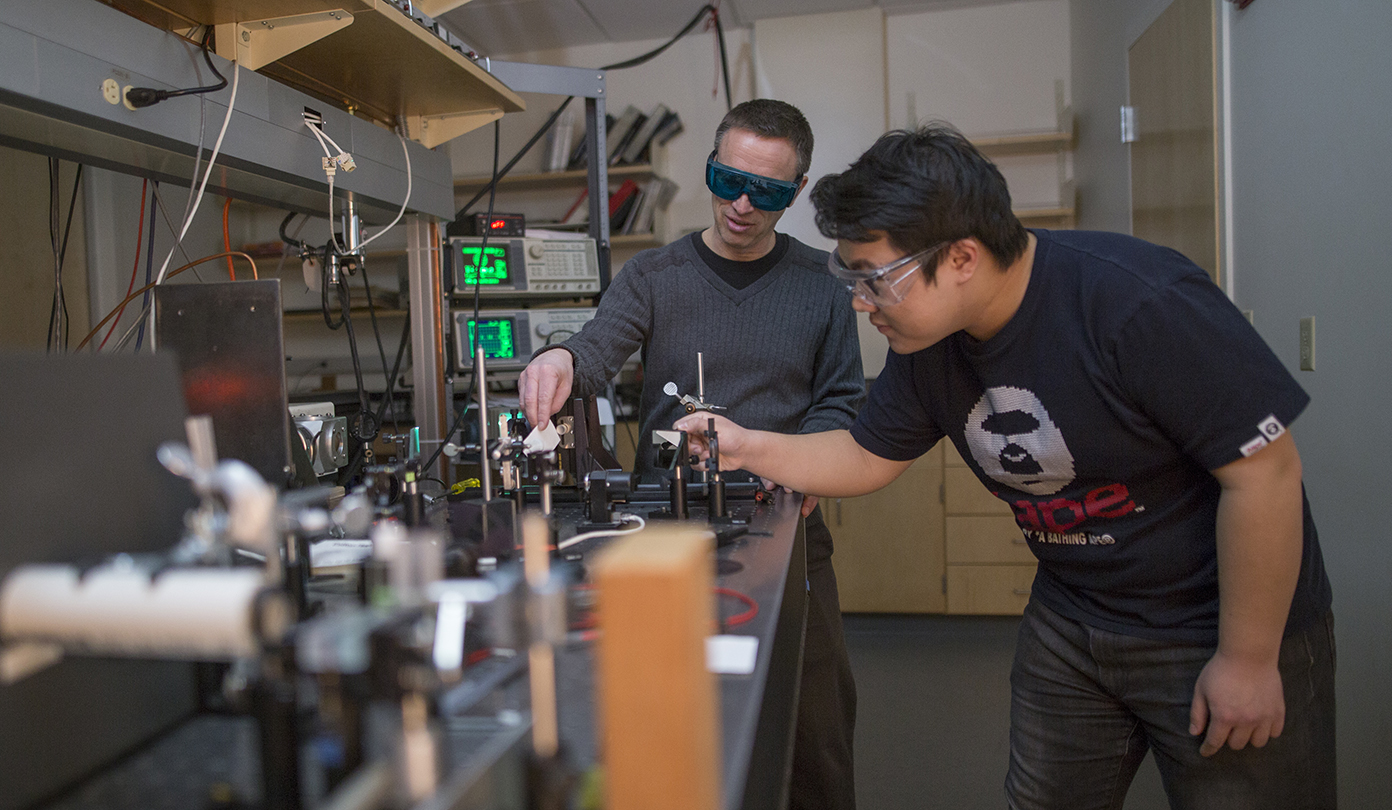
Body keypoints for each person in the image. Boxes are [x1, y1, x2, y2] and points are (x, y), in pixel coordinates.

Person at [675, 124, 1335, 810]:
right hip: (1072, 616)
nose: (860, 302)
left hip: (1213, 622)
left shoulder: (1138, 302)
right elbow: (865, 454)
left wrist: (1249, 660)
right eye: (851, 277)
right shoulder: (926, 341)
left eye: (875, 278)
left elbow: (1265, 475)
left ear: (961, 256)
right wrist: (741, 444)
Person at [518, 99, 863, 810]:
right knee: (664, 721)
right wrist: (556, 359)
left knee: (814, 733)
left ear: (795, 192)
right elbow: (594, 353)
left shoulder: (824, 284)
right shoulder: (654, 276)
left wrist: (801, 460)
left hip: (787, 532)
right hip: (663, 537)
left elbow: (840, 401)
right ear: (709, 165)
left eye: (765, 192)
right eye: (726, 178)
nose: (740, 204)